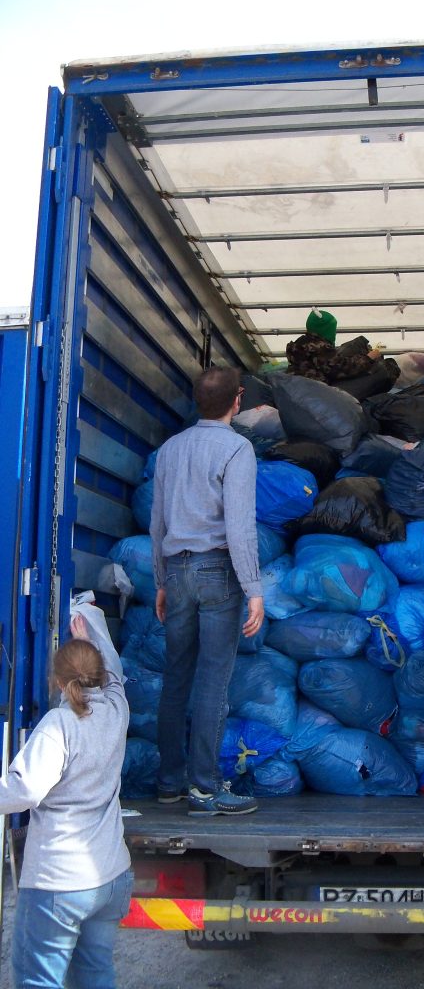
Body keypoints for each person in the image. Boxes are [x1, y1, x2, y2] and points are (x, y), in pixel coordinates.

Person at [150, 365, 264, 816]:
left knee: (177, 676)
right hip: (217, 570)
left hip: (177, 571)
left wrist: (161, 580)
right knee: (214, 680)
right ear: (238, 399)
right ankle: (205, 787)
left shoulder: (170, 449)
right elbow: (239, 525)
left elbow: (157, 522)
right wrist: (254, 587)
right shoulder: (237, 448)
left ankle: (169, 782)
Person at [1, 612, 132, 989]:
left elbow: (24, 791)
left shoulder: (58, 726)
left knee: (39, 982)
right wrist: (93, 635)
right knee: (96, 976)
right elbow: (115, 672)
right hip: (111, 878)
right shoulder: (116, 710)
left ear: (57, 681)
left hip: (59, 882)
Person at [285, 308, 400, 397]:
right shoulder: (319, 348)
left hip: (302, 389)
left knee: (357, 346)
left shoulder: (300, 343)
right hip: (319, 394)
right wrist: (369, 357)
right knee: (383, 371)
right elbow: (343, 369)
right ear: (326, 330)